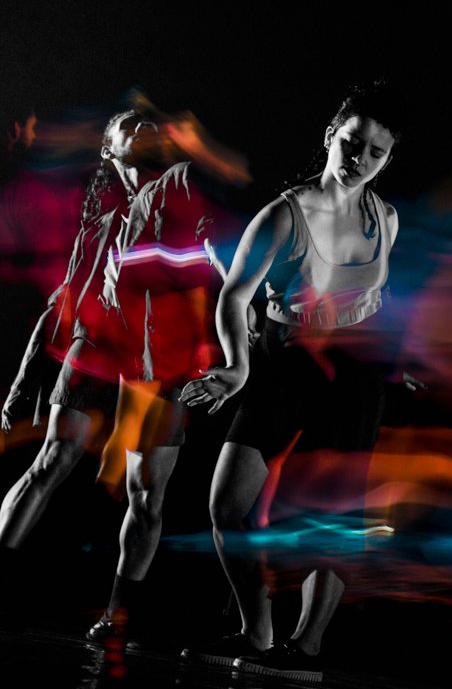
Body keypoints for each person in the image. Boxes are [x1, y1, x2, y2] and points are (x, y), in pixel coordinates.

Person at [179, 84, 404, 682]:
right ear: (331, 137)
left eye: (376, 152)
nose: (360, 158)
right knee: (226, 504)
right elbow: (235, 295)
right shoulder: (285, 213)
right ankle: (257, 630)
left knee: (334, 516)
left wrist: (393, 357)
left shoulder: (386, 219)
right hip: (285, 362)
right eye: (352, 143)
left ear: (387, 159)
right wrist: (237, 365)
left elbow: (376, 295)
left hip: (353, 372)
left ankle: (306, 648)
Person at [0, 109, 225, 642]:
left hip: (161, 357)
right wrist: (21, 381)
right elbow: (62, 302)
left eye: (151, 123)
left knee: (146, 493)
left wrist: (238, 324)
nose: (144, 127)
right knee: (50, 462)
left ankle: (117, 615)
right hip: (97, 347)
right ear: (108, 148)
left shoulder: (181, 190)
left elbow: (217, 251)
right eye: (130, 123)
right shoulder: (98, 221)